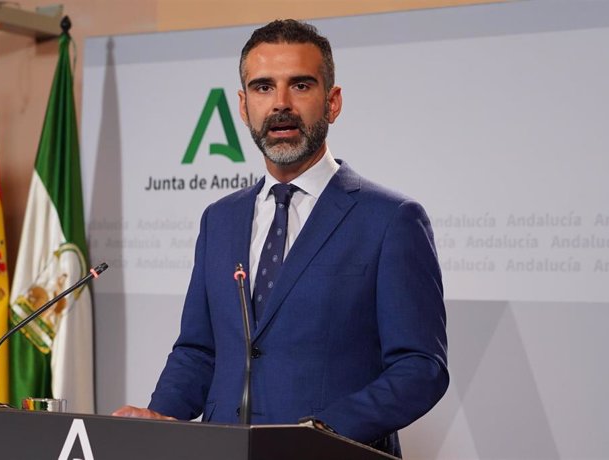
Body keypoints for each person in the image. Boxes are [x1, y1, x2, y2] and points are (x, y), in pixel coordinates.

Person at [113, 19, 448, 457]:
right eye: (264, 87)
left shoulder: (391, 220)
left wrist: (322, 432)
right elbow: (199, 350)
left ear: (333, 102)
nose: (281, 104)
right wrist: (162, 420)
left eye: (301, 86)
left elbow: (420, 368)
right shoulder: (220, 219)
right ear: (243, 104)